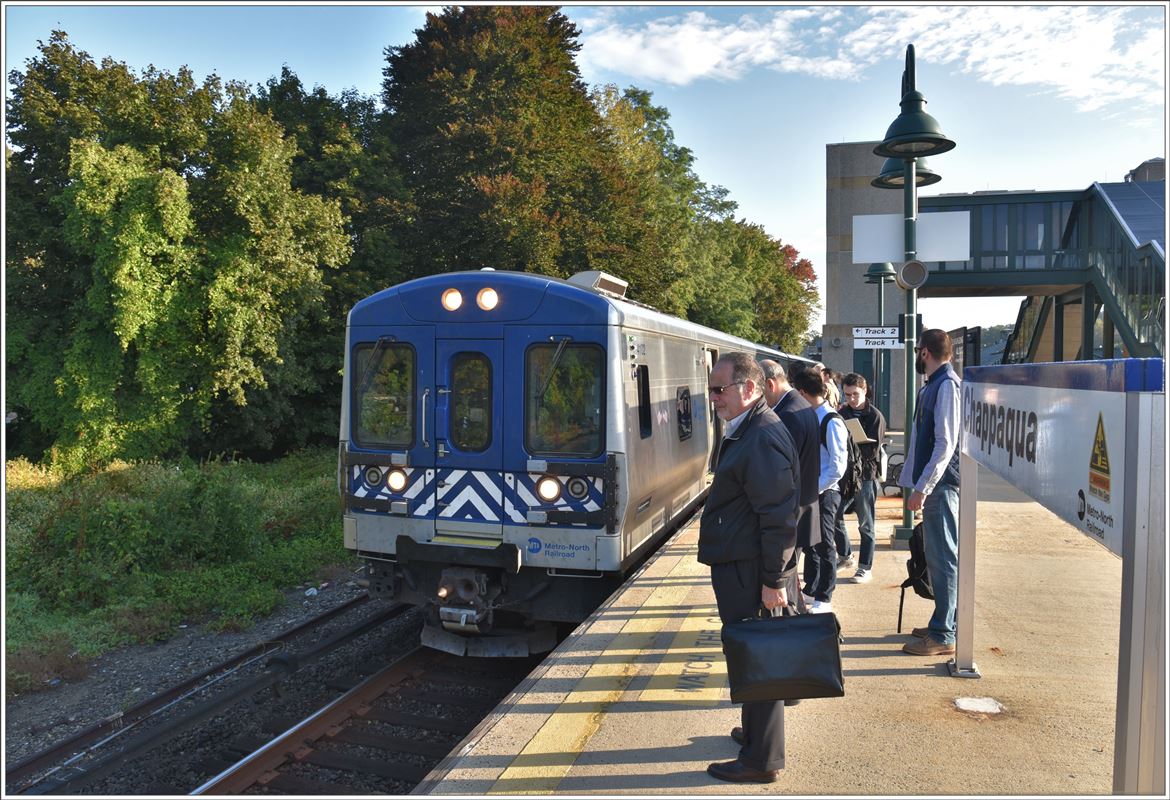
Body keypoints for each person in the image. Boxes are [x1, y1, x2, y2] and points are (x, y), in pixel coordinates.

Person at [698, 353, 800, 783]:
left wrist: (773, 580)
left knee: (759, 658)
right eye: (711, 389)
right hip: (742, 564)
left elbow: (779, 516)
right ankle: (755, 735)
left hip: (751, 569)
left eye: (719, 389)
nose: (714, 397)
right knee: (749, 653)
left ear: (750, 388)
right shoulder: (749, 428)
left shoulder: (759, 436)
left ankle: (762, 760)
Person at [899, 329, 961, 657]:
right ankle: (946, 622)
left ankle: (943, 633)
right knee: (940, 557)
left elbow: (945, 443)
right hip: (940, 485)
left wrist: (923, 487)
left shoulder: (946, 386)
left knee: (943, 558)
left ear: (924, 352)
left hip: (942, 486)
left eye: (917, 352)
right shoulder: (936, 385)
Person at [760, 360, 819, 610]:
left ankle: (792, 622)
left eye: (759, 390)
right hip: (802, 507)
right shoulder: (801, 405)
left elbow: (782, 472)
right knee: (790, 578)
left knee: (785, 584)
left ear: (770, 384)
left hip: (792, 512)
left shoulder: (787, 415)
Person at [792, 368, 846, 614]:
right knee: (811, 543)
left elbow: (837, 467)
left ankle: (825, 596)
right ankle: (812, 587)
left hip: (825, 493)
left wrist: (815, 489)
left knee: (825, 545)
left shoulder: (831, 420)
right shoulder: (813, 416)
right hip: (813, 492)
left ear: (803, 393)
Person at [837, 373, 887, 584]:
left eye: (855, 394)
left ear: (865, 391)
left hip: (866, 475)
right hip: (846, 474)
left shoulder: (875, 416)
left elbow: (873, 451)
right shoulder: (842, 412)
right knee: (834, 515)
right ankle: (845, 555)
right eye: (847, 395)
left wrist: (855, 440)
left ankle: (865, 567)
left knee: (866, 523)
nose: (851, 399)